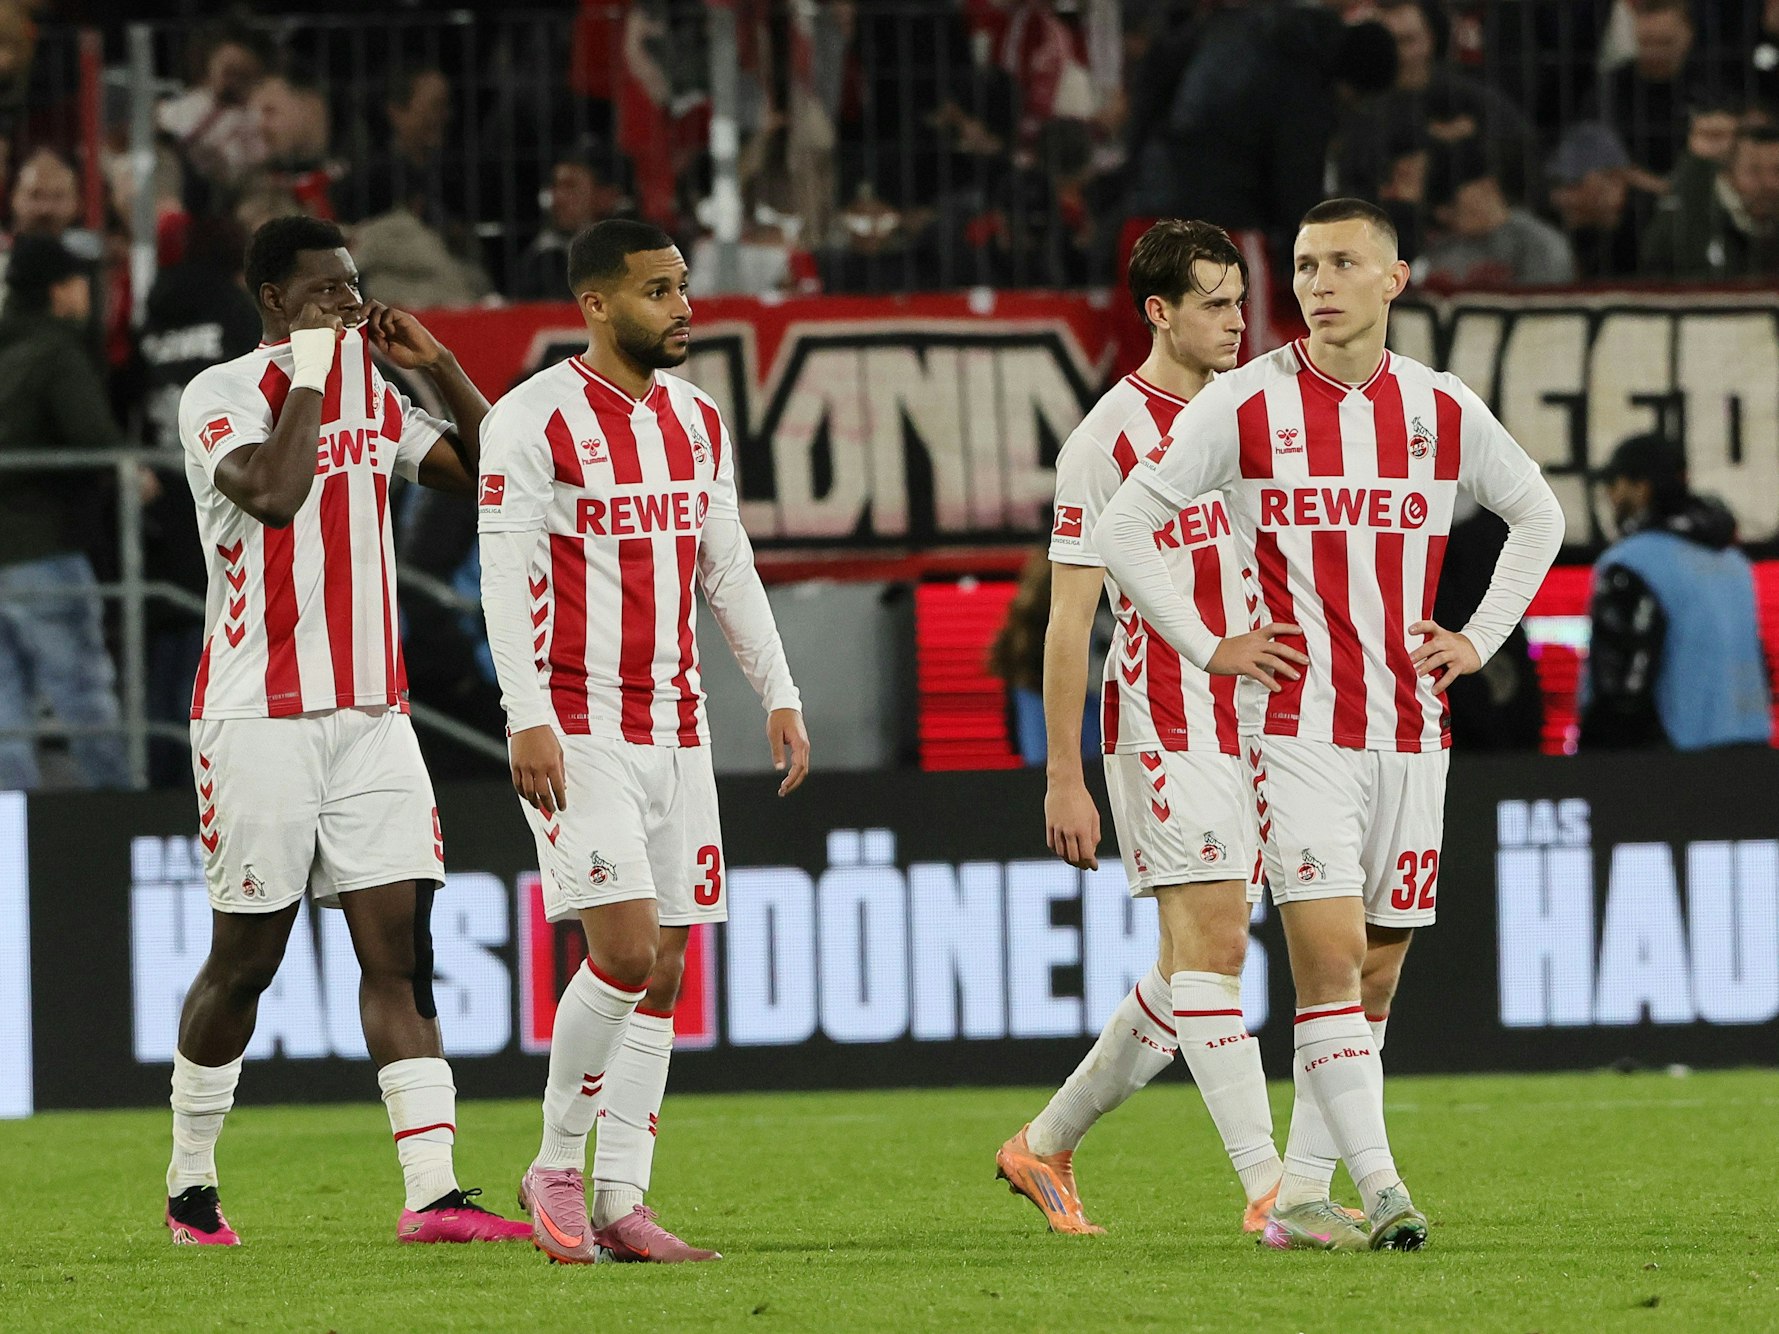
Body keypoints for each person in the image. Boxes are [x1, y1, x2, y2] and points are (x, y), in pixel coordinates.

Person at [1096, 198, 1563, 1251]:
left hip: (1411, 726)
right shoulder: (1247, 402)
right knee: (1331, 954)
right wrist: (1209, 644)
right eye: (1305, 264)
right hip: (1296, 728)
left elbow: (1540, 513)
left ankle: (1301, 1190)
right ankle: (1386, 1185)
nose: (1317, 282)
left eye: (1344, 263)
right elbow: (1128, 522)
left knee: (1378, 970)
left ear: (1394, 280)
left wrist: (1479, 638)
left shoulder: (1440, 408)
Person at [165, 215, 530, 1247]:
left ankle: (434, 1193)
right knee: (249, 960)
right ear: (272, 299)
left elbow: (493, 470)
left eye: (353, 285)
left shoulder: (377, 384)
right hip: (256, 717)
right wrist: (318, 376)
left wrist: (442, 362)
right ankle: (191, 1182)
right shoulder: (221, 394)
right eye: (324, 290)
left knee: (401, 956)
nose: (345, 302)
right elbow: (276, 496)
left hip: (374, 715)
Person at [478, 218, 809, 1265]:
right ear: (595, 304)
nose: (682, 309)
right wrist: (523, 712)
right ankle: (555, 1162)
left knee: (665, 966)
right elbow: (501, 572)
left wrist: (780, 690)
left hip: (680, 725)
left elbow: (727, 566)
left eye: (681, 288)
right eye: (658, 291)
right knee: (620, 947)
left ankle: (623, 1196)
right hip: (579, 726)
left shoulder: (699, 420)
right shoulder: (534, 420)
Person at [996, 218, 1326, 1239]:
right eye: (1215, 303)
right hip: (1164, 714)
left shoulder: (1264, 412)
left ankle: (1044, 1142)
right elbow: (1068, 619)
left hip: (1266, 716)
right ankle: (1271, 1188)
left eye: (1240, 300)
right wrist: (1064, 773)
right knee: (1218, 944)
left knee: (1187, 965)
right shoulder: (1103, 442)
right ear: (1159, 312)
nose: (1237, 320)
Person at [0, 235, 131, 791]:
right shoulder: (57, 352)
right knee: (82, 693)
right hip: (46, 550)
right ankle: (116, 820)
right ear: (59, 290)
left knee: (6, 709)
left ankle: (11, 847)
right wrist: (132, 474)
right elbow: (94, 440)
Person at [1579, 434, 1771, 751]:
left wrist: (1594, 763)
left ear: (1642, 488)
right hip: (1751, 754)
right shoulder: (1734, 563)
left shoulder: (1632, 562)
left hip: (1674, 767)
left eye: (1615, 483)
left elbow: (1621, 687)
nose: (1611, 495)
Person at [1420, 141, 1576, 287]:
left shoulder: (1538, 243)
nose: (1442, 215)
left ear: (1487, 187)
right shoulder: (1441, 245)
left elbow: (1543, 310)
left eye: (1450, 204)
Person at [1641, 123, 1779, 280]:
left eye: (1778, 171)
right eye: (1754, 171)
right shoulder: (1682, 226)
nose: (1770, 184)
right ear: (1727, 174)